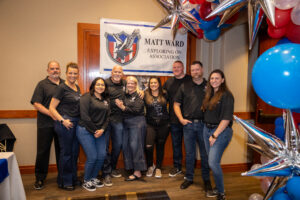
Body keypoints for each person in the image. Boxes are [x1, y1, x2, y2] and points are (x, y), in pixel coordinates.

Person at [173, 61, 213, 196]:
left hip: (204, 125)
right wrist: (181, 119)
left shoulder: (209, 86)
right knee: (189, 154)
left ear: (202, 70)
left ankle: (206, 180)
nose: (195, 72)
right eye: (193, 70)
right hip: (188, 125)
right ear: (190, 71)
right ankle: (189, 178)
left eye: (197, 69)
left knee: (205, 154)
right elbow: (176, 104)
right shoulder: (185, 86)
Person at [202, 69, 234, 200]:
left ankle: (221, 192)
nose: (214, 80)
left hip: (220, 132)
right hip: (206, 129)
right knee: (213, 163)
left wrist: (214, 135)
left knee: (213, 163)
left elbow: (226, 119)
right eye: (212, 78)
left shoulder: (227, 95)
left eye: (217, 78)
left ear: (222, 80)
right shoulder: (209, 94)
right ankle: (217, 188)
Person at [31, 61, 63, 190]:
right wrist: (52, 114)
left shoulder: (65, 84)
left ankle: (63, 176)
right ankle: (40, 178)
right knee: (43, 151)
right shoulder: (42, 84)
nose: (55, 70)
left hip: (61, 124)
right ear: (48, 70)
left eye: (57, 68)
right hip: (46, 124)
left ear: (60, 70)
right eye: (52, 68)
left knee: (62, 151)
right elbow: (36, 104)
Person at [49, 62, 81, 191]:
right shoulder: (61, 87)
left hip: (76, 123)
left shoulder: (77, 87)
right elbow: (51, 108)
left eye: (75, 73)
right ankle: (64, 181)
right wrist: (63, 121)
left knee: (74, 153)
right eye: (70, 73)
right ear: (66, 74)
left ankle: (72, 178)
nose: (73, 75)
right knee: (66, 153)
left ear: (78, 74)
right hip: (65, 124)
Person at [76, 77, 110, 191]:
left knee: (101, 156)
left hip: (99, 132)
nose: (100, 86)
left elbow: (107, 118)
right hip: (85, 130)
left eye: (102, 85)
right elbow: (84, 116)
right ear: (93, 86)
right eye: (98, 84)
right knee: (92, 157)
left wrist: (102, 130)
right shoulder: (86, 97)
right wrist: (95, 130)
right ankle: (86, 180)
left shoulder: (106, 100)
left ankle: (93, 177)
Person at [163, 60, 192, 177]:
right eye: (174, 67)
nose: (176, 69)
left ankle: (190, 169)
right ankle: (177, 167)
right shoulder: (168, 82)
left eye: (178, 67)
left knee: (190, 146)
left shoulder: (191, 80)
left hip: (190, 119)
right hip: (174, 119)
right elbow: (160, 96)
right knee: (176, 144)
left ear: (183, 68)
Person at [115, 76, 146, 181]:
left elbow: (137, 110)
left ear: (136, 85)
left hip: (137, 122)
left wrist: (123, 107)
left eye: (132, 83)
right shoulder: (125, 95)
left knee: (136, 146)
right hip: (126, 123)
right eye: (128, 83)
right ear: (126, 84)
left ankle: (138, 172)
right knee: (126, 146)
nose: (130, 85)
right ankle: (131, 168)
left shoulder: (139, 95)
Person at [102, 65, 126, 186]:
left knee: (118, 145)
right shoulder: (104, 83)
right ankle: (106, 173)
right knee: (105, 147)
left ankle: (112, 167)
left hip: (118, 119)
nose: (117, 73)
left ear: (122, 73)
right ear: (111, 72)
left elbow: (134, 90)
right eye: (115, 71)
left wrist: (140, 91)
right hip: (105, 120)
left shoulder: (125, 83)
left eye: (119, 72)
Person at [144, 77, 169, 178]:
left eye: (155, 82)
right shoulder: (145, 94)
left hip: (164, 124)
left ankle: (158, 168)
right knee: (148, 146)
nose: (153, 84)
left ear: (159, 84)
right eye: (151, 83)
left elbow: (173, 105)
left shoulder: (165, 93)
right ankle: (150, 166)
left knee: (160, 146)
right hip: (150, 124)